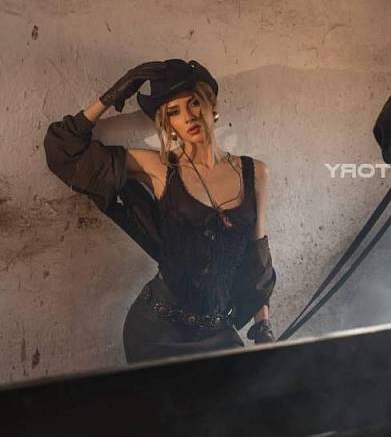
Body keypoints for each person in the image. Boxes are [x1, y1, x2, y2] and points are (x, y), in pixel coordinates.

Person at [43, 59, 277, 363]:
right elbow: (65, 152)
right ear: (168, 124)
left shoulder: (255, 171)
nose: (188, 116)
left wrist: (263, 327)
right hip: (157, 330)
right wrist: (110, 97)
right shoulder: (159, 166)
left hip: (218, 330)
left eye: (194, 103)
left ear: (212, 104)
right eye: (174, 112)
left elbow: (257, 256)